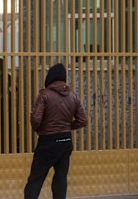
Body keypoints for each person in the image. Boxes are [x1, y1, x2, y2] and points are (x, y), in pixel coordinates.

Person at [24, 63, 87, 199]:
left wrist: (40, 129)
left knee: (35, 180)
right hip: (65, 142)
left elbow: (35, 120)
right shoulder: (73, 96)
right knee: (60, 179)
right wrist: (66, 127)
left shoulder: (44, 95)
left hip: (47, 143)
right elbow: (83, 120)